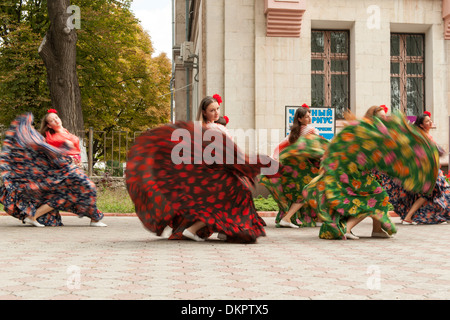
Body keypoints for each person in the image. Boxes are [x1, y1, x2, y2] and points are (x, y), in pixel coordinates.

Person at [126, 95, 279, 243]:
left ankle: (218, 231)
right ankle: (196, 230)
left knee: (218, 200)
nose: (216, 112)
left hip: (214, 172)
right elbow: (229, 153)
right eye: (212, 110)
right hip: (218, 172)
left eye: (218, 109)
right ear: (204, 112)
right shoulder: (215, 129)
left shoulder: (203, 129)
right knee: (233, 197)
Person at [302, 109, 439, 240]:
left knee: (378, 196)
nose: (383, 119)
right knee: (376, 198)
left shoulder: (369, 131)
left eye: (384, 116)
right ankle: (347, 229)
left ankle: (377, 230)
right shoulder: (364, 130)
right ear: (372, 116)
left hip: (355, 174)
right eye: (380, 116)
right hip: (351, 175)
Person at [0, 113, 107, 227]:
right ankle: (95, 218)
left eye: (56, 117)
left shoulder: (65, 132)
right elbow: (50, 152)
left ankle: (33, 216)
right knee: (88, 186)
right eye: (52, 120)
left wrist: (77, 159)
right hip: (64, 169)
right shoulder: (50, 137)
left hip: (73, 168)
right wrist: (65, 150)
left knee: (63, 195)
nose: (56, 120)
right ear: (49, 125)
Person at [260, 104, 328, 228]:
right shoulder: (311, 130)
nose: (310, 118)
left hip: (295, 168)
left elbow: (281, 146)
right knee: (311, 190)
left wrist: (273, 157)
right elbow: (317, 147)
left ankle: (317, 218)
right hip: (307, 168)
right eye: (307, 117)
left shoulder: (293, 133)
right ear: (300, 119)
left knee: (307, 190)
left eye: (309, 116)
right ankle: (288, 218)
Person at [379, 111, 450, 225]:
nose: (430, 122)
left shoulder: (425, 135)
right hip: (427, 172)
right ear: (421, 125)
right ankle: (408, 217)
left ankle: (431, 216)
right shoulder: (420, 136)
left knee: (436, 193)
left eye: (430, 120)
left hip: (432, 170)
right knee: (431, 193)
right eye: (427, 121)